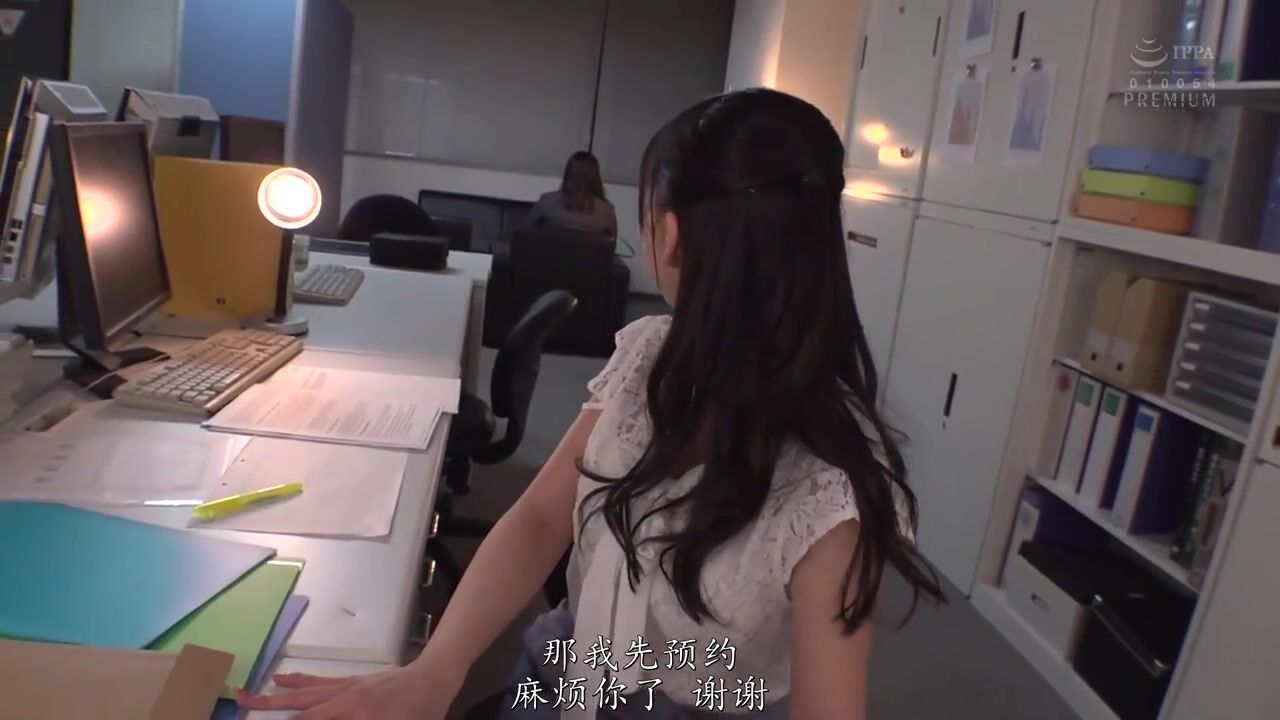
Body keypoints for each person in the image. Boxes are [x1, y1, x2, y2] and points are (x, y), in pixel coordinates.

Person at [237, 88, 943, 719]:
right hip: (561, 669)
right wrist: (435, 670)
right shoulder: (650, 357)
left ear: (669, 234)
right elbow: (541, 518)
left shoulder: (832, 486)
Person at [529, 151, 618, 238]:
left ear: (567, 175)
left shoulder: (546, 202)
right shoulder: (607, 212)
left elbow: (527, 233)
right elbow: (612, 243)